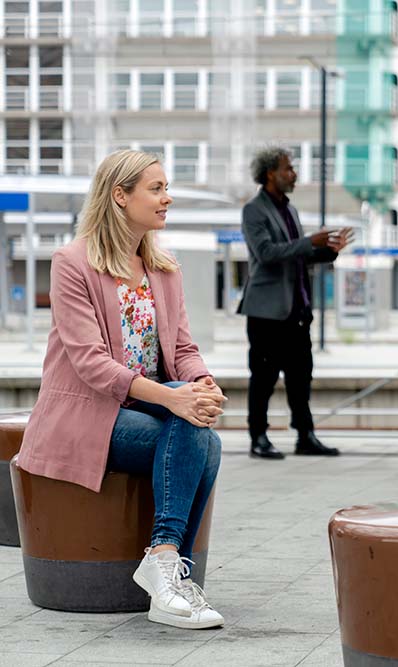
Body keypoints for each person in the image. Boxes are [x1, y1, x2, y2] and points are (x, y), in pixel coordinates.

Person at [18, 149, 226, 629]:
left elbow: (184, 347)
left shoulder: (164, 268)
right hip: (88, 415)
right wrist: (176, 397)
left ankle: (166, 564)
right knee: (201, 439)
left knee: (200, 431)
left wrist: (201, 384)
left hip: (150, 407)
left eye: (166, 188)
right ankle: (168, 569)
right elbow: (91, 364)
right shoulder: (73, 263)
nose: (167, 198)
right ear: (119, 196)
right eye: (156, 189)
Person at [238, 146, 352, 459]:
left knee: (301, 376)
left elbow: (297, 255)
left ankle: (305, 436)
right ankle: (258, 437)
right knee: (263, 377)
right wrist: (308, 242)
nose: (294, 173)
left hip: (297, 312)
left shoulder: (290, 209)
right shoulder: (254, 210)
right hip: (267, 312)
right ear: (270, 173)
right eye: (288, 168)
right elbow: (267, 254)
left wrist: (328, 251)